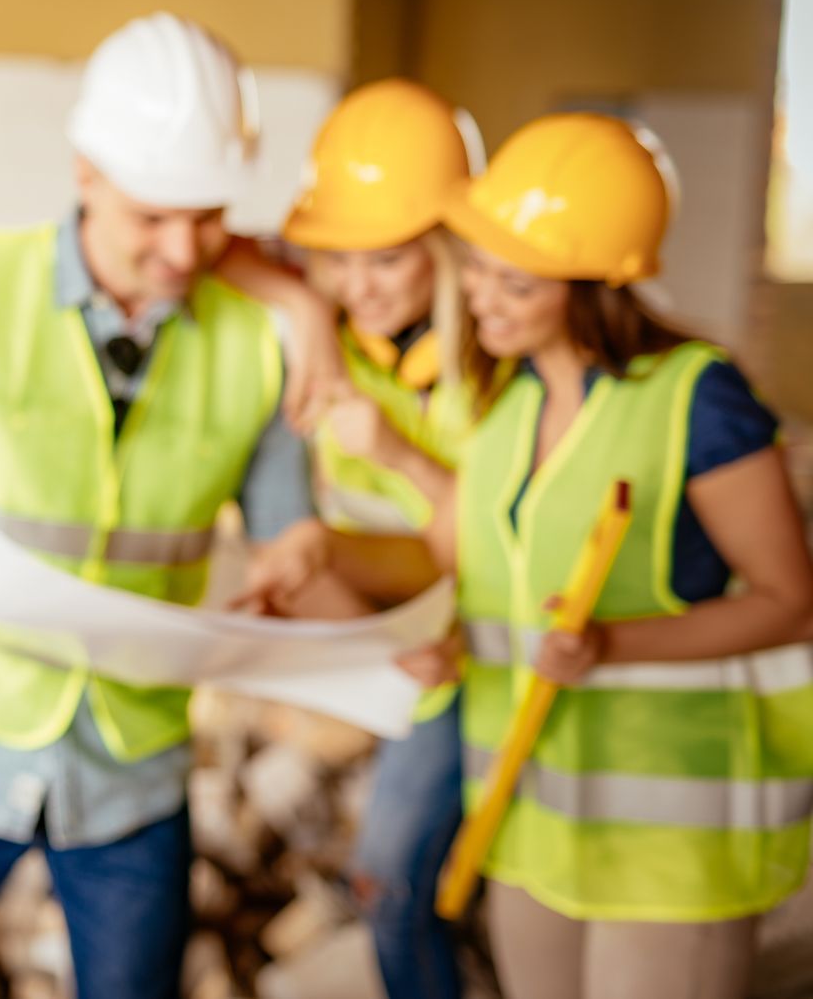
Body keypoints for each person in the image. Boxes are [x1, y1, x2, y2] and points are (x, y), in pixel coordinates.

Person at [269, 112, 813, 999]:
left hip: (669, 841)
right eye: (477, 270)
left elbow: (792, 602)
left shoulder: (697, 400)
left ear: (593, 287)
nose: (480, 300)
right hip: (532, 820)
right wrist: (350, 579)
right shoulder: (506, 407)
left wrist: (614, 644)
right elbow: (453, 564)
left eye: (514, 285)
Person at [0, 13, 317, 996]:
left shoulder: (256, 341)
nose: (185, 249)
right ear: (87, 169)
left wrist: (289, 570)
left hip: (135, 761)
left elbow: (287, 536)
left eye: (209, 215)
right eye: (155, 216)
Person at [252, 78, 492, 999]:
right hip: (405, 638)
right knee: (395, 881)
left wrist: (396, 452)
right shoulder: (337, 309)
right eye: (336, 261)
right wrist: (306, 310)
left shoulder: (502, 353)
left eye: (384, 263)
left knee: (405, 881)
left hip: (491, 639)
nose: (356, 286)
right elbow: (215, 252)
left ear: (446, 244)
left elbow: (500, 551)